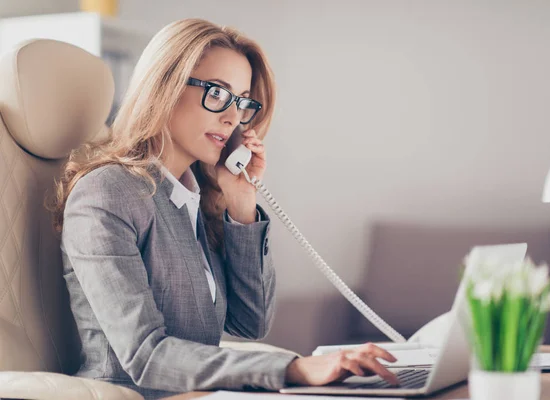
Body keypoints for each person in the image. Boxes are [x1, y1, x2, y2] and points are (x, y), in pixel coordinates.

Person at [51, 18, 399, 399]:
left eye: (242, 101)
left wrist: (241, 204)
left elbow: (251, 323)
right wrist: (294, 368)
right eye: (217, 93)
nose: (232, 117)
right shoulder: (107, 192)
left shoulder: (194, 200)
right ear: (164, 87)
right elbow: (145, 356)